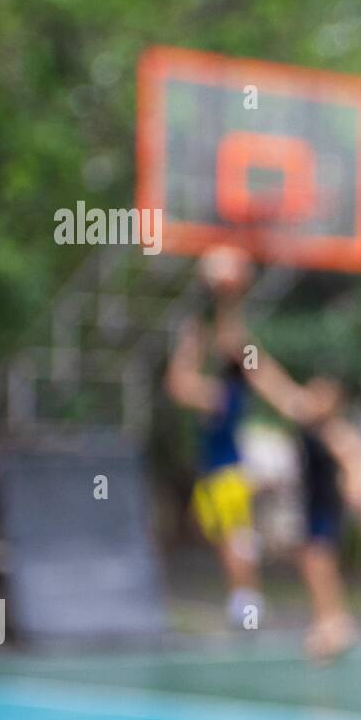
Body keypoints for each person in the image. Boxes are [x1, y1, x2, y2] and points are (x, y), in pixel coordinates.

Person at [243, 352, 361, 661]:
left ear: (333, 403)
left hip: (326, 506)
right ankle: (327, 623)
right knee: (310, 562)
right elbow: (272, 383)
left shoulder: (335, 432)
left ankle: (336, 624)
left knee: (319, 564)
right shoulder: (303, 416)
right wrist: (248, 356)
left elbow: (359, 461)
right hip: (309, 504)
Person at [164, 246, 263, 629]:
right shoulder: (217, 390)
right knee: (222, 536)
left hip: (228, 471)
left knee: (235, 537)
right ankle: (243, 598)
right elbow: (181, 379)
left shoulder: (224, 394)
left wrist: (227, 297)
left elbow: (182, 379)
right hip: (214, 469)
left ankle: (247, 601)